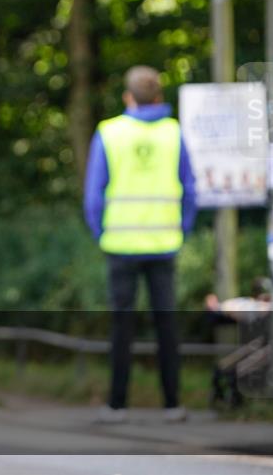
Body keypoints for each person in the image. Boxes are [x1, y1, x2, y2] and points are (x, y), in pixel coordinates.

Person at [83, 65, 196, 423]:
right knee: (167, 326)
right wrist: (182, 231)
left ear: (128, 97)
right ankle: (173, 404)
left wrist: (102, 233)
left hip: (120, 245)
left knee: (122, 328)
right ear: (159, 97)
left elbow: (93, 197)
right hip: (165, 244)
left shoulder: (109, 132)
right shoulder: (174, 133)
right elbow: (190, 190)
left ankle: (117, 405)